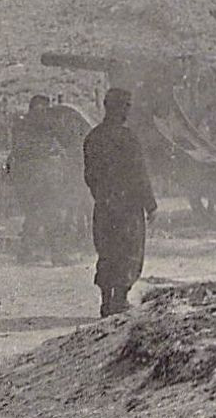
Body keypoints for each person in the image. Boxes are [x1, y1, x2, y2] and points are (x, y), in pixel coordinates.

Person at [82, 88, 157, 317]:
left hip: (104, 205)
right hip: (128, 207)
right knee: (129, 252)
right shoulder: (128, 137)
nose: (127, 110)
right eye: (126, 106)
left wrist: (101, 195)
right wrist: (150, 204)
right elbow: (139, 174)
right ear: (121, 108)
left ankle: (106, 302)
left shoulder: (93, 137)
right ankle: (120, 301)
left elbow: (89, 175)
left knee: (107, 251)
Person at [10, 95, 72, 264]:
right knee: (52, 213)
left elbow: (16, 149)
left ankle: (25, 253)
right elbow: (65, 138)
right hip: (44, 173)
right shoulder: (46, 121)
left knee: (33, 214)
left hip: (27, 175)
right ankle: (58, 255)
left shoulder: (21, 123)